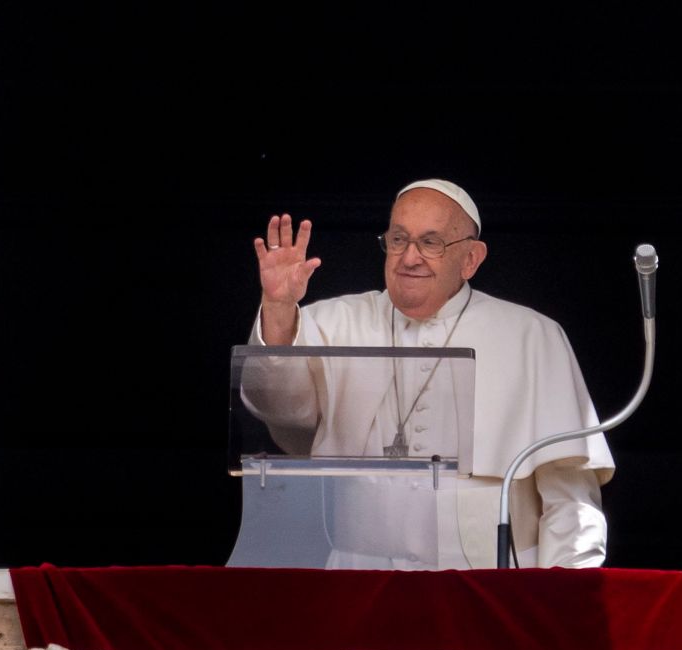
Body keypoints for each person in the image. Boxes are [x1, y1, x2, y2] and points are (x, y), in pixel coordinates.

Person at [248, 179, 614, 569]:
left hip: (490, 583)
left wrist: (561, 599)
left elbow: (571, 501)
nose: (410, 258)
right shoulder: (333, 322)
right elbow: (277, 406)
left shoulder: (533, 336)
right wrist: (279, 309)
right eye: (398, 239)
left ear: (471, 259)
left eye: (431, 242)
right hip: (358, 579)